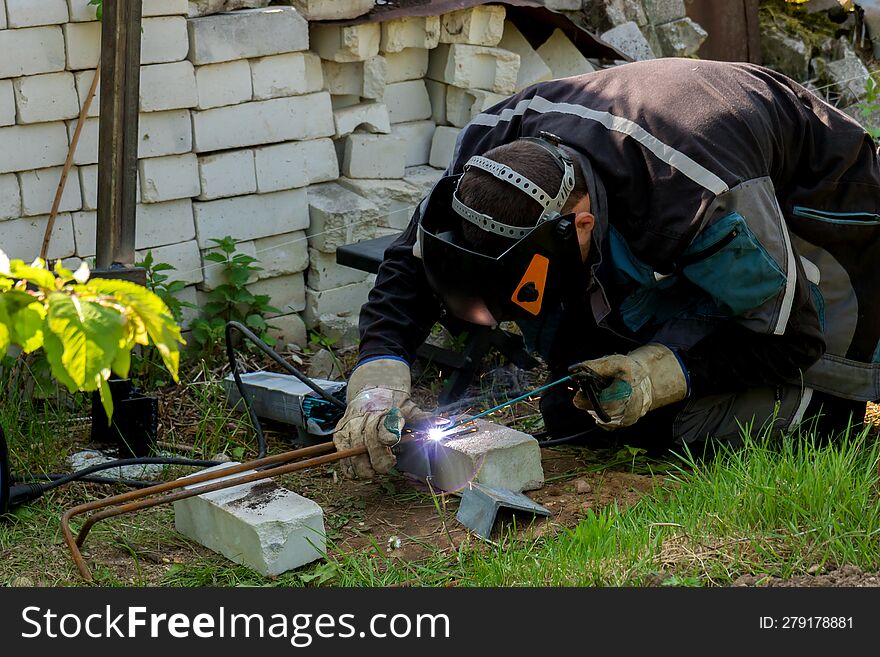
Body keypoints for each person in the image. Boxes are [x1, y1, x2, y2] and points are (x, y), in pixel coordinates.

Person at [332, 58, 880, 479]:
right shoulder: (488, 147)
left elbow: (791, 336)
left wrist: (657, 373)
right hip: (667, 179)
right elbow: (413, 261)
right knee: (576, 412)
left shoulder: (700, 201)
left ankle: (842, 415)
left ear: (583, 224)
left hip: (822, 208)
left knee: (683, 422)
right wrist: (378, 379)